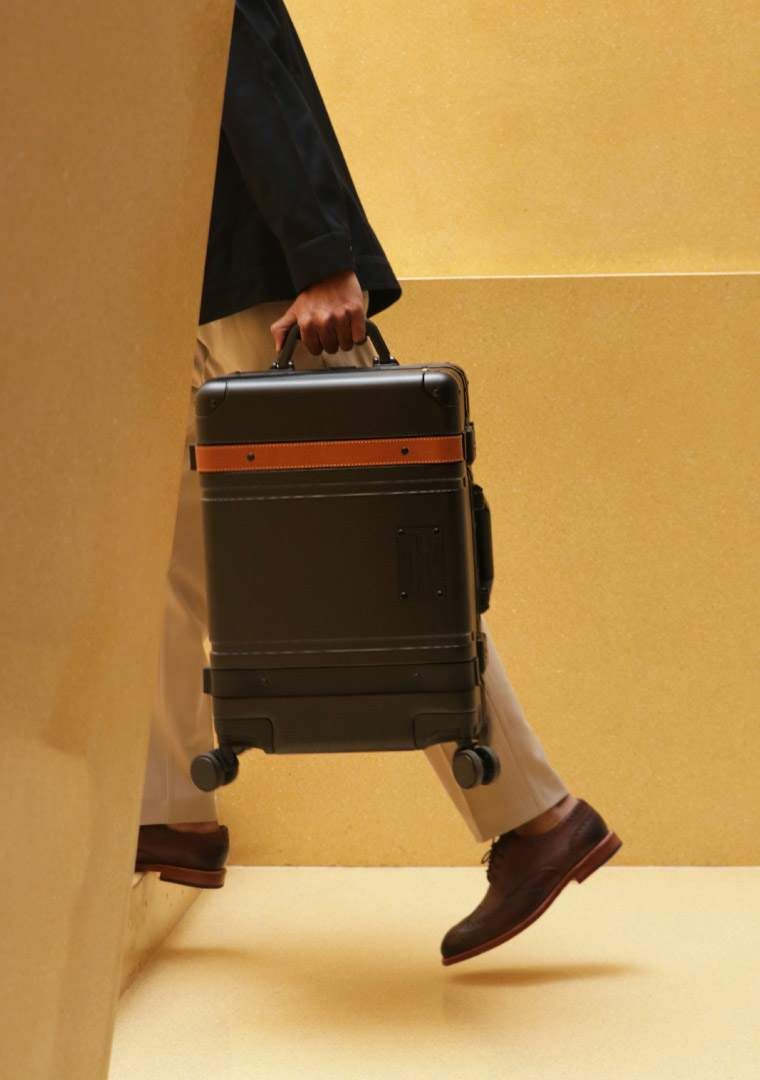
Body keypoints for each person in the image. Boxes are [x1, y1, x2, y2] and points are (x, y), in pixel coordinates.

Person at [135, 0, 621, 967]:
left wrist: (325, 262)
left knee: (380, 580)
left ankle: (539, 819)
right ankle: (173, 808)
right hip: (179, 282)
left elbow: (252, 71)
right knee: (158, 548)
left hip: (265, 286)